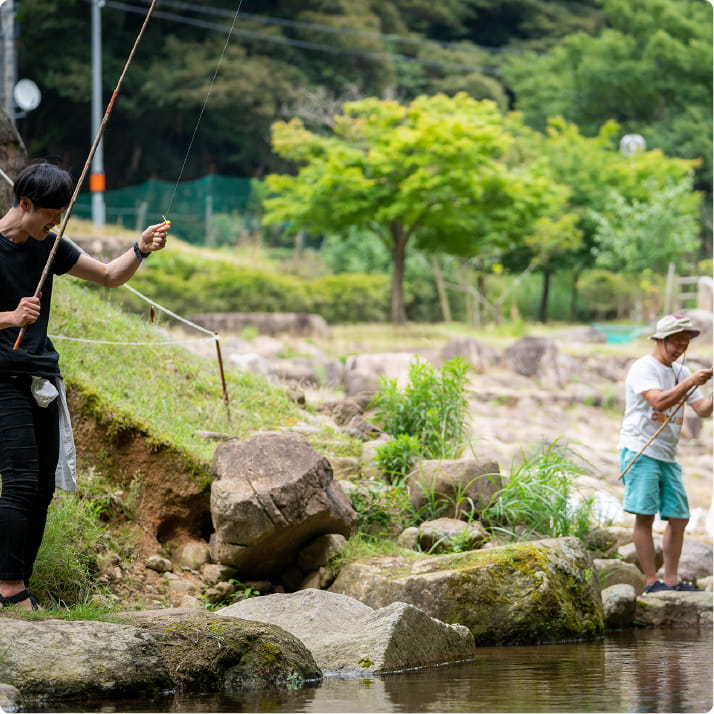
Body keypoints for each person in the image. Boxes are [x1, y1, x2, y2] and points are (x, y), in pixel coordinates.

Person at [0, 161, 170, 610]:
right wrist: (9, 318)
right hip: (2, 377)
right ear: (25, 204)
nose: (57, 222)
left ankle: (19, 583)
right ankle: (10, 590)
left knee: (41, 488)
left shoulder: (48, 247)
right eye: (52, 214)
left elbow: (110, 275)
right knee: (18, 481)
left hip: (42, 377)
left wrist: (141, 247)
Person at [618, 313, 713, 593]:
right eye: (677, 343)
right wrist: (691, 381)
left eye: (685, 344)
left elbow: (703, 411)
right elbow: (658, 402)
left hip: (668, 456)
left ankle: (671, 580)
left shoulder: (682, 372)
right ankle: (651, 581)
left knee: (680, 516)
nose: (681, 349)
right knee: (645, 515)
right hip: (640, 449)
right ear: (661, 340)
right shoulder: (643, 368)